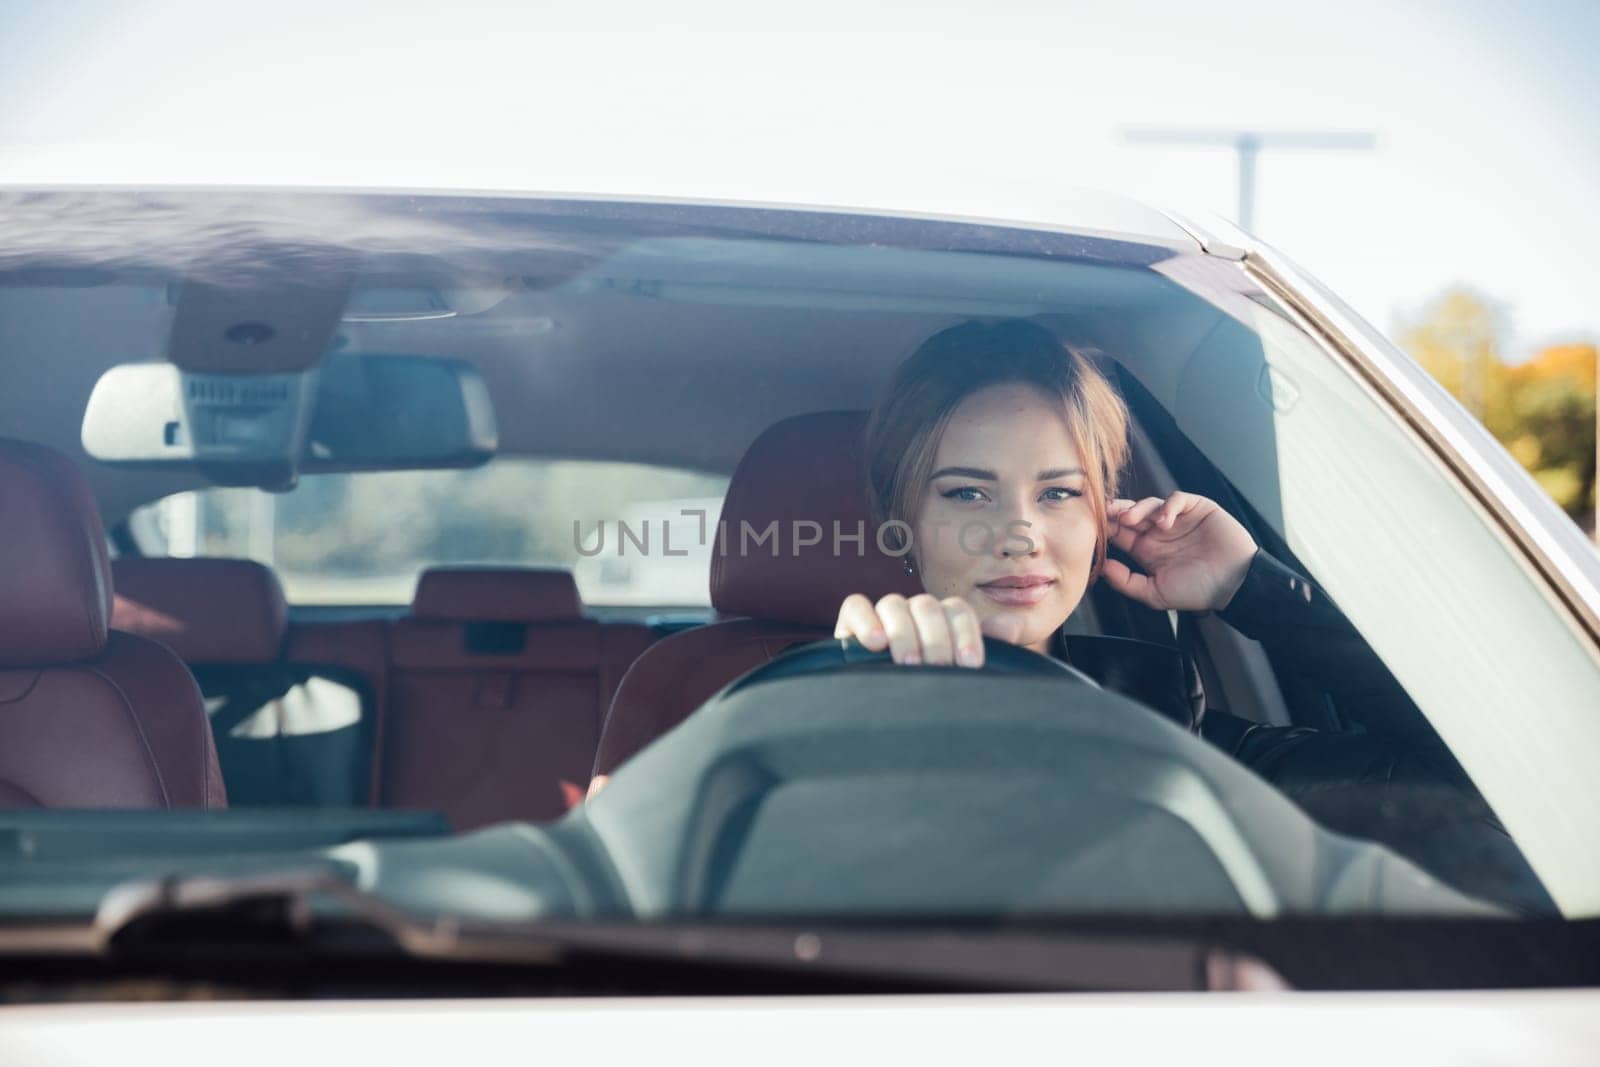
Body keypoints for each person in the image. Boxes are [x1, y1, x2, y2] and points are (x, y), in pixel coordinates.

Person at [832, 318, 1547, 912]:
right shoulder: (820, 706)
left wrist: (1249, 587)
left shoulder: (1174, 722)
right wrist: (872, 702)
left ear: (1101, 514)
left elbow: (1487, 784)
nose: (1022, 533)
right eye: (967, 494)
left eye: (1058, 494)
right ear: (904, 519)